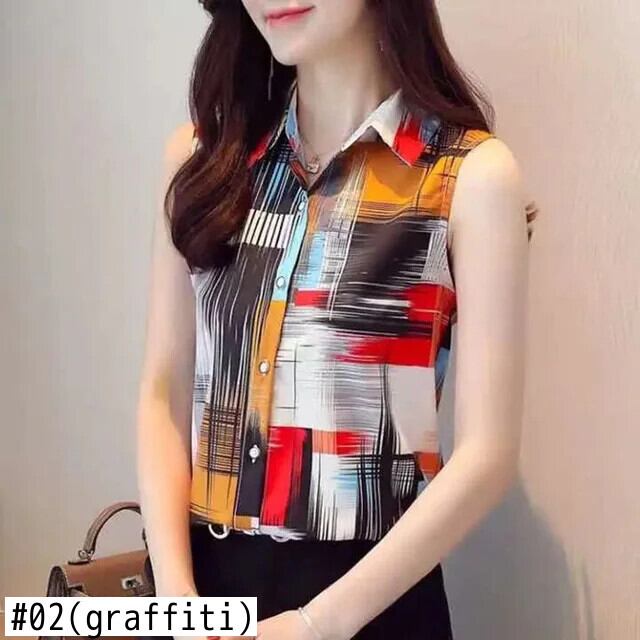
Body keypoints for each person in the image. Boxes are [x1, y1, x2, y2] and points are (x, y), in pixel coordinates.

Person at [136, 1, 537, 638]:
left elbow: (487, 457)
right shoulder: (204, 162)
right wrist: (177, 601)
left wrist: (315, 625)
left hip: (371, 604)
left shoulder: (467, 176)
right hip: (202, 588)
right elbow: (164, 389)